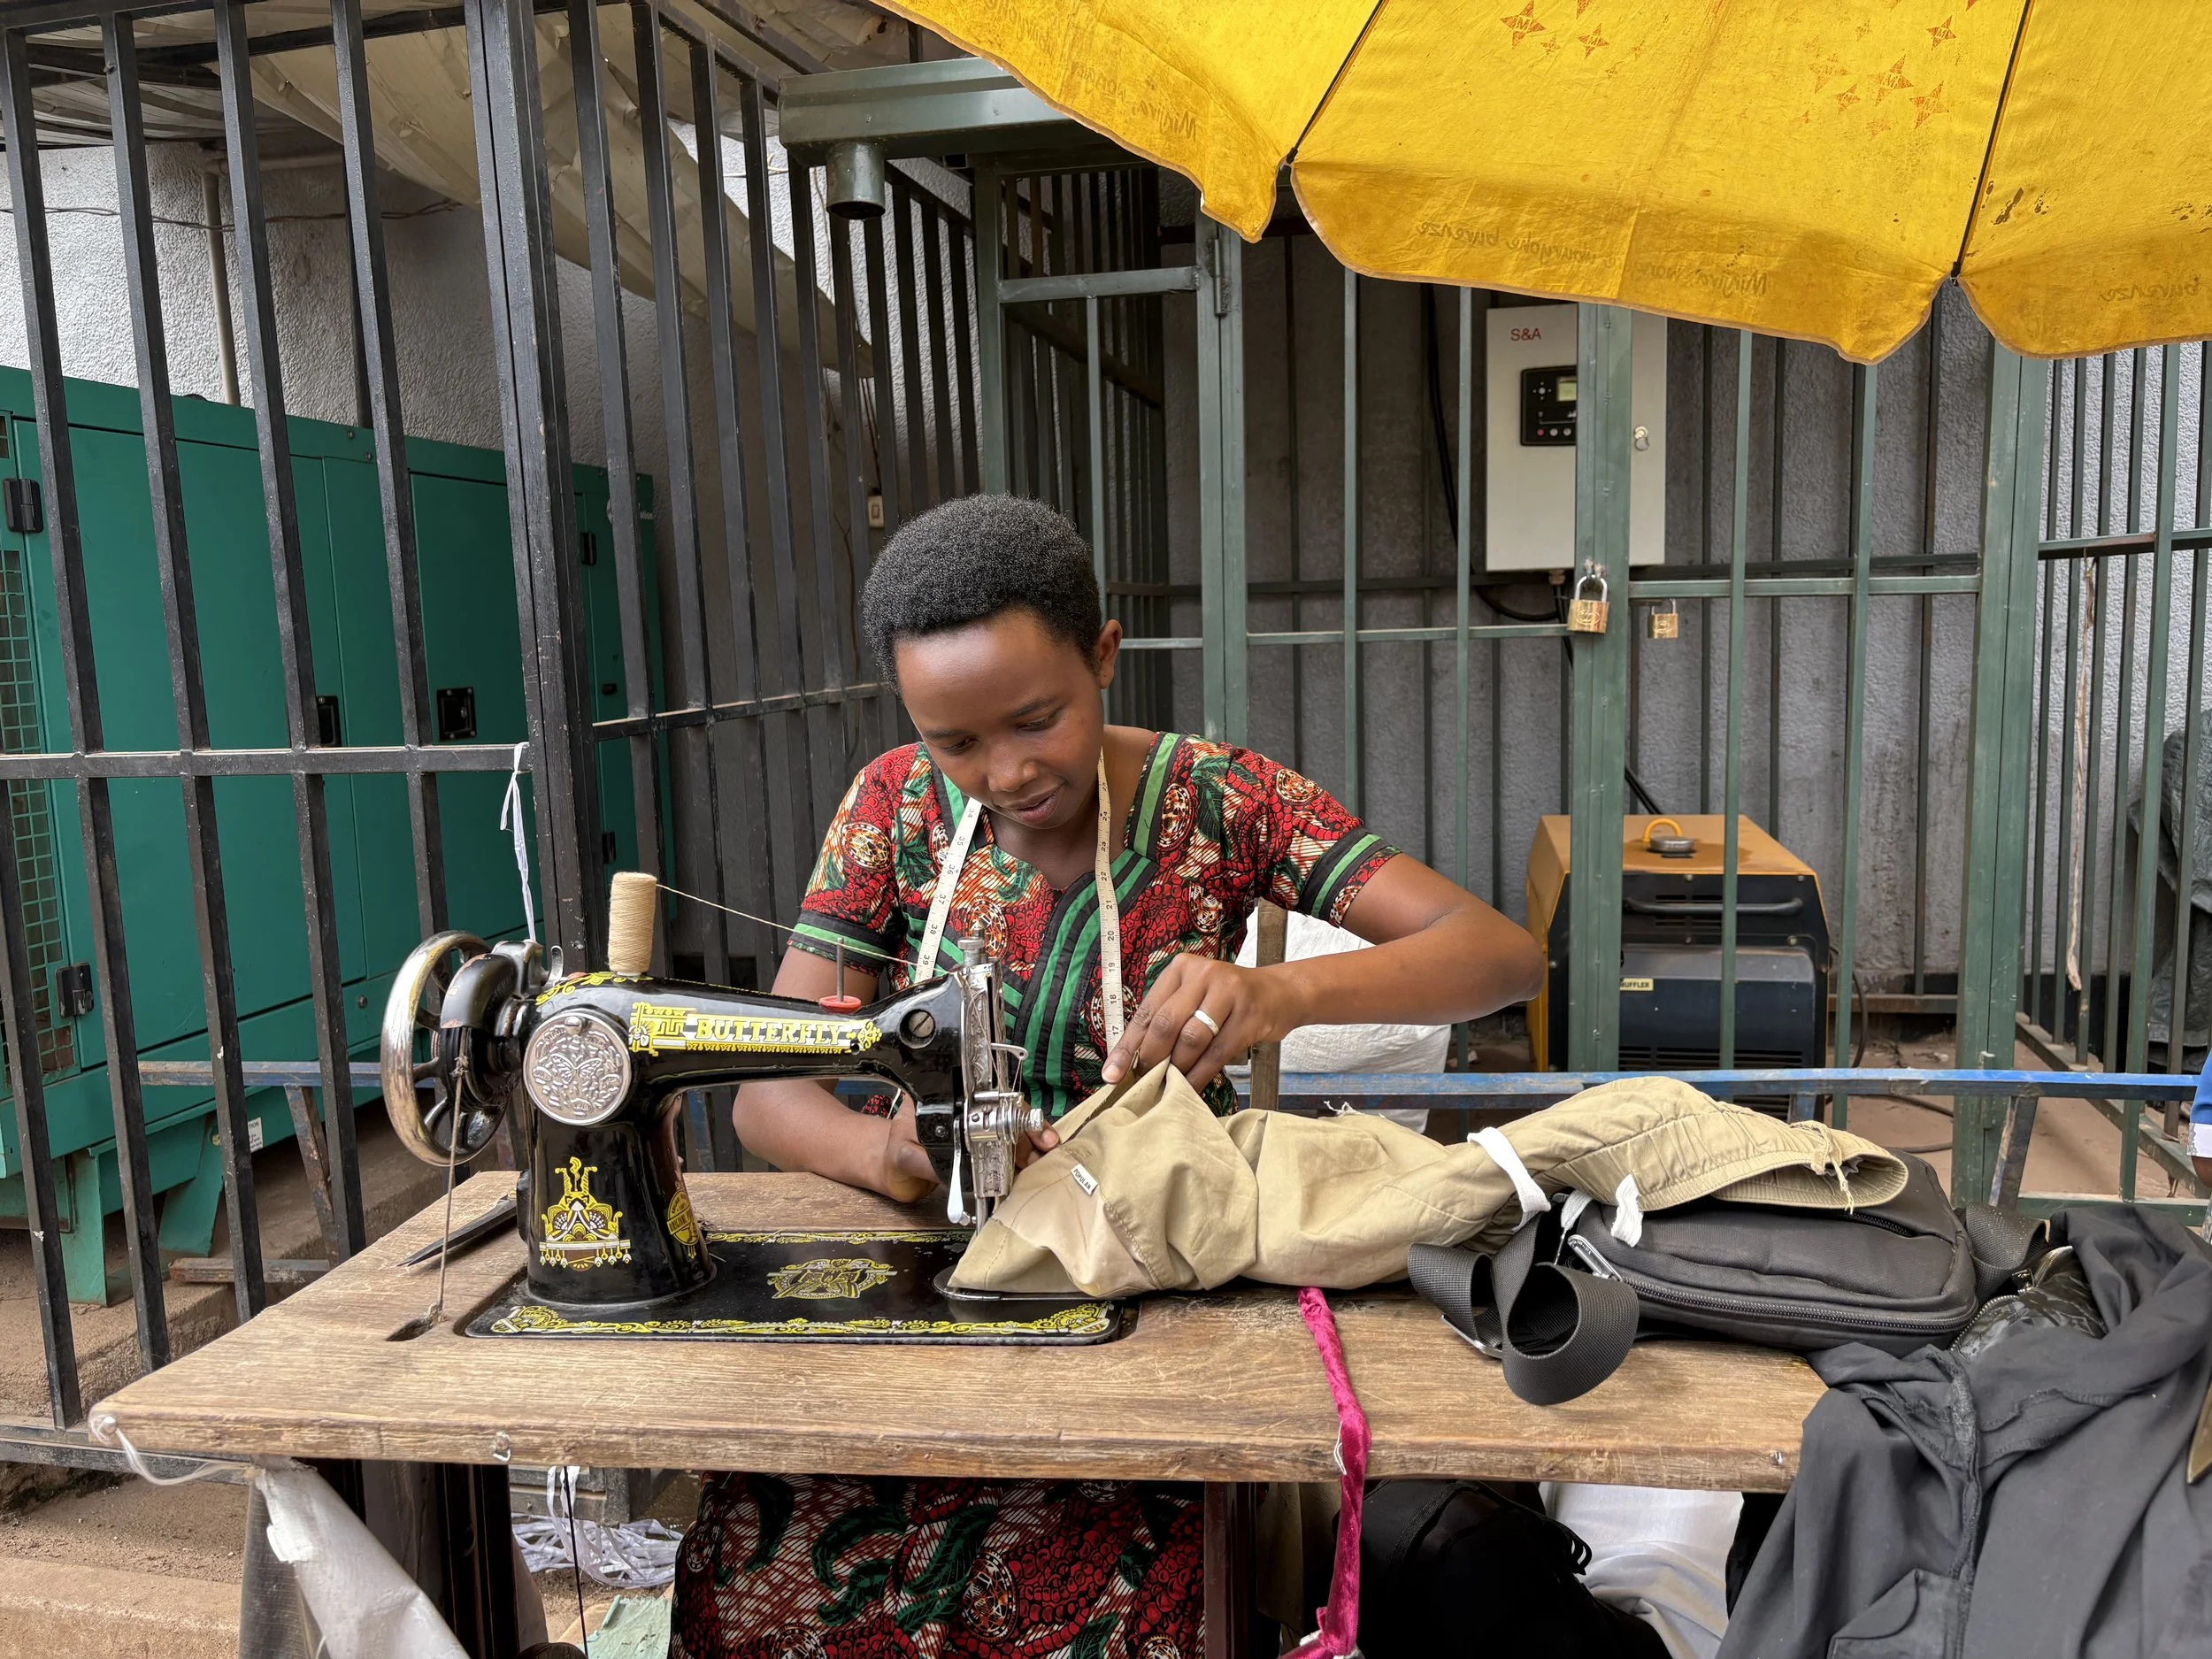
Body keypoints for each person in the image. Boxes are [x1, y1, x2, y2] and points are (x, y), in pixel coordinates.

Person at [672, 495, 1544, 1659]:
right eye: (958, 740)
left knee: (1136, 1608)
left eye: (1038, 718)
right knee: (750, 1570)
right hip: (943, 1279)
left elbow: (1498, 952)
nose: (1007, 771)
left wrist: (1277, 996)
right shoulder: (892, 808)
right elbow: (765, 1089)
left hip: (1165, 1292)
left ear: (1105, 656)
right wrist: (882, 1157)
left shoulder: (1221, 800)